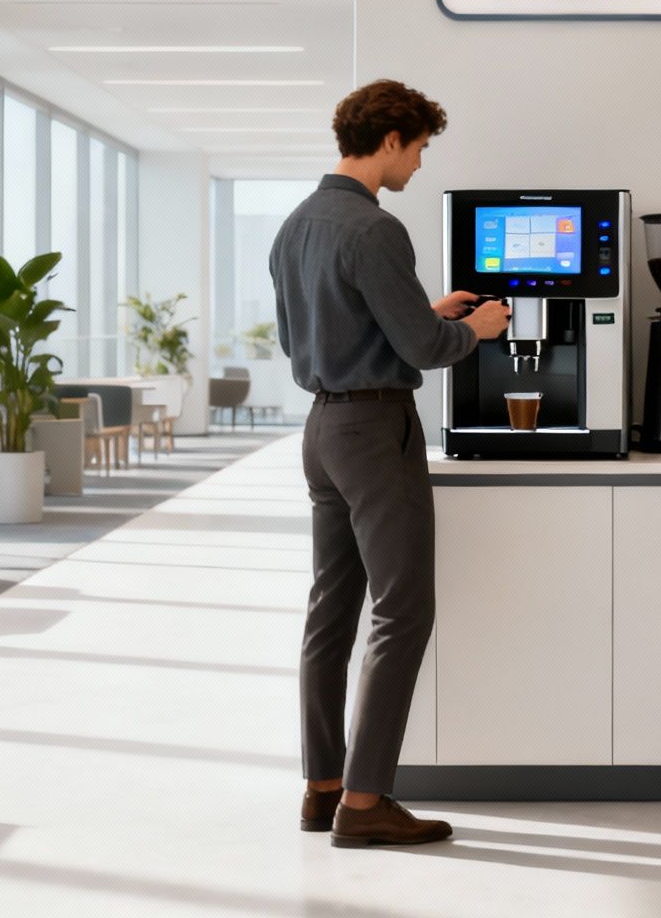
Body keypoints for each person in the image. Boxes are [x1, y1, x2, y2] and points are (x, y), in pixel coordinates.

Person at [269, 79, 511, 846]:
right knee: (403, 612)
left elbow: (317, 332)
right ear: (391, 139)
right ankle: (367, 805)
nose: (419, 165)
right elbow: (426, 350)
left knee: (330, 612)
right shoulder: (376, 229)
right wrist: (484, 328)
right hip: (377, 432)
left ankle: (322, 786)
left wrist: (424, 308)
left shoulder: (296, 225)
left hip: (322, 432)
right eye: (419, 149)